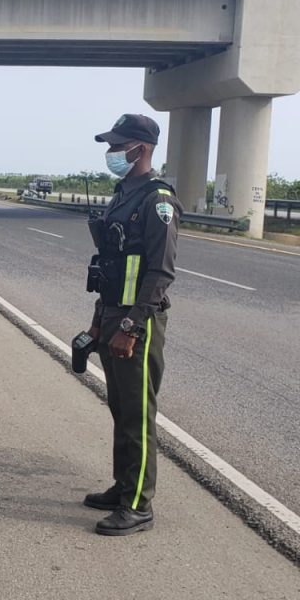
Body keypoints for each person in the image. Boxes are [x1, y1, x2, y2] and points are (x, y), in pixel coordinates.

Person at [83, 113, 182, 536]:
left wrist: (131, 326)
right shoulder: (124, 192)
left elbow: (159, 275)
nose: (111, 153)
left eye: (117, 146)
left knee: (138, 414)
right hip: (112, 314)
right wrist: (99, 321)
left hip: (135, 323)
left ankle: (138, 504)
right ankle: (125, 485)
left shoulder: (157, 200)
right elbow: (111, 264)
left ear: (139, 149)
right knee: (121, 409)